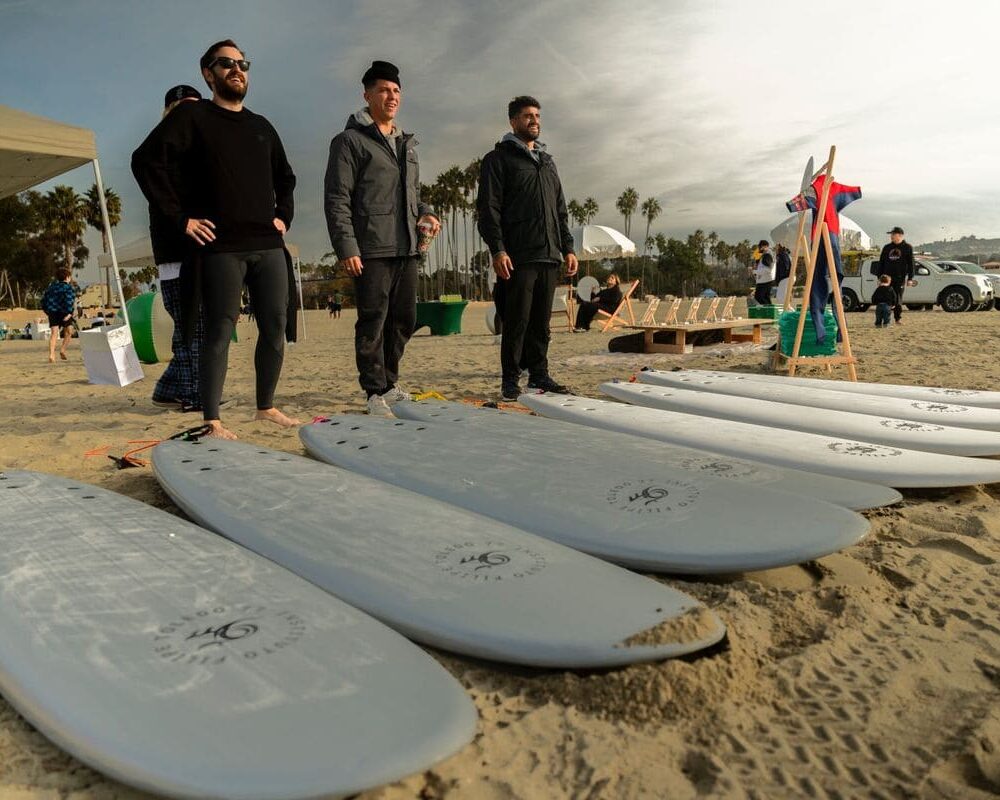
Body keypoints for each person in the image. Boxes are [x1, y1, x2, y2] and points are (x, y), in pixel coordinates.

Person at [132, 39, 299, 439]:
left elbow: (286, 178)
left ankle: (266, 407)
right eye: (226, 64)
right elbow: (146, 161)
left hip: (267, 245)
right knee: (219, 331)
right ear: (208, 73)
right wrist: (180, 219)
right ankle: (212, 418)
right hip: (221, 248)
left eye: (242, 63)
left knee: (275, 327)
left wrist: (283, 217)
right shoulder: (193, 116)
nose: (236, 69)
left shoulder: (262, 125)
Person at [324, 60, 441, 416]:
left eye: (396, 91)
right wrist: (347, 246)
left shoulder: (407, 144)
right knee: (373, 320)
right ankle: (374, 392)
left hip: (407, 247)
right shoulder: (349, 142)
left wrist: (427, 211)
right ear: (367, 95)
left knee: (404, 319)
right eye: (384, 90)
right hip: (370, 248)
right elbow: (337, 197)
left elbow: (413, 194)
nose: (391, 97)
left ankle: (390, 383)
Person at [477, 95, 578, 401]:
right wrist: (498, 249)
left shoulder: (548, 163)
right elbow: (488, 210)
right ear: (513, 121)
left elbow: (560, 210)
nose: (534, 120)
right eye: (526, 116)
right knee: (516, 322)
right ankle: (510, 380)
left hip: (549, 255)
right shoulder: (498, 160)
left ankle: (539, 376)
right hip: (518, 257)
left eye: (537, 115)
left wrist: (568, 247)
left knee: (541, 324)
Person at [147, 84, 203, 412]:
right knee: (191, 328)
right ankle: (193, 396)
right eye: (180, 109)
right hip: (176, 257)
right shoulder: (162, 151)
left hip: (200, 255)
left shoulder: (200, 149)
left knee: (190, 330)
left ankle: (168, 388)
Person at [877, 226, 915, 324]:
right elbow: (881, 263)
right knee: (885, 298)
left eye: (894, 234)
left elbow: (911, 264)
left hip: (899, 278)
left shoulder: (907, 247)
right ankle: (884, 319)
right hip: (886, 278)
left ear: (900, 235)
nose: (892, 236)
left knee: (898, 298)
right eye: (891, 234)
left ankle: (898, 319)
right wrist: (879, 277)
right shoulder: (887, 247)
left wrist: (910, 278)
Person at [41, 268, 76, 362]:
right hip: (65, 312)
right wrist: (69, 313)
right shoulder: (68, 288)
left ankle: (52, 355)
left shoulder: (51, 287)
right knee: (69, 332)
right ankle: (62, 350)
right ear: (67, 277)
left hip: (53, 312)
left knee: (54, 334)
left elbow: (43, 301)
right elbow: (69, 301)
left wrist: (48, 311)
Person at [753, 240, 775, 306]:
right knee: (765, 297)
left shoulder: (767, 255)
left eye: (760, 247)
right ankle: (769, 311)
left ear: (765, 246)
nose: (759, 249)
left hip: (764, 280)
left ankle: (768, 310)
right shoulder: (767, 254)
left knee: (759, 297)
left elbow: (767, 270)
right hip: (765, 280)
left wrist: (754, 271)